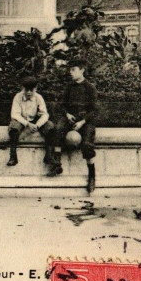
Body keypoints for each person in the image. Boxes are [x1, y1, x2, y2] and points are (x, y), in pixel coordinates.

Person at [51, 59, 97, 193]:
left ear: (82, 70)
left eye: (73, 70)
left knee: (87, 143)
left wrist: (82, 122)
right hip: (70, 117)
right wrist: (67, 115)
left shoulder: (90, 87)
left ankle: (92, 176)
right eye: (70, 70)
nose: (70, 73)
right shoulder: (69, 87)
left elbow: (94, 110)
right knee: (58, 129)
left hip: (85, 120)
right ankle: (57, 163)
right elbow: (62, 104)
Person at [7, 76, 56, 168]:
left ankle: (49, 156)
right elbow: (15, 114)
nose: (29, 92)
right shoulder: (18, 97)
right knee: (14, 128)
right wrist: (27, 124)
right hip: (21, 120)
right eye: (26, 89)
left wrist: (37, 125)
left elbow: (45, 114)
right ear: (22, 88)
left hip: (35, 120)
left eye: (31, 90)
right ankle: (13, 156)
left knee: (50, 126)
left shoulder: (39, 97)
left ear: (36, 88)